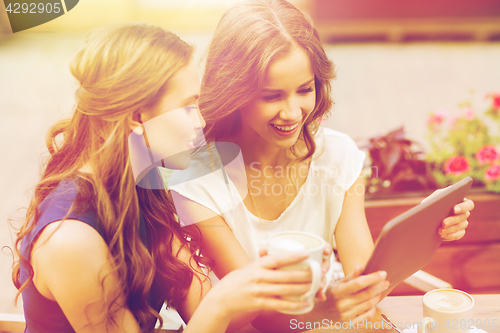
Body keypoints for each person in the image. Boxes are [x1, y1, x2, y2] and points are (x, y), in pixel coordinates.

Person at [167, 0, 475, 331]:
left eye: (305, 89)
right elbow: (259, 316)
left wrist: (424, 229)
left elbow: (367, 280)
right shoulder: (195, 180)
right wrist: (329, 309)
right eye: (271, 96)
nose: (293, 111)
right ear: (234, 93)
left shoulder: (337, 155)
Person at [11, 23, 317, 333]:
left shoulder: (143, 189)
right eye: (187, 107)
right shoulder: (70, 240)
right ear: (136, 118)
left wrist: (262, 282)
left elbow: (204, 308)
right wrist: (222, 303)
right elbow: (212, 312)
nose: (200, 121)